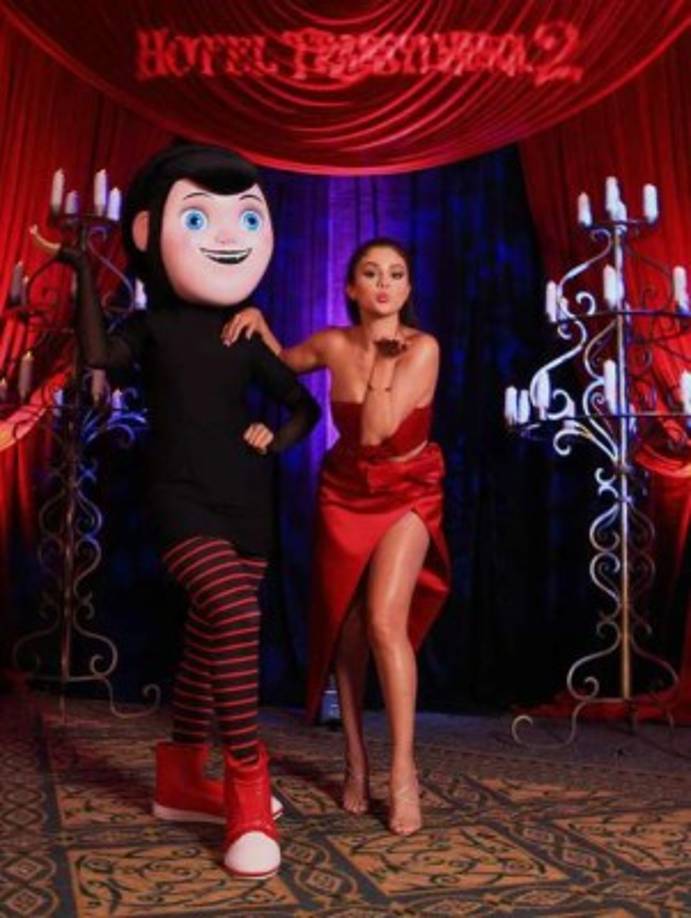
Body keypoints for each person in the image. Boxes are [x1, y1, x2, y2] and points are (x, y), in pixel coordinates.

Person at [31, 144, 320, 879]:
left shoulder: (243, 332)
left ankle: (182, 780)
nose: (225, 234)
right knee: (231, 610)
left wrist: (276, 437)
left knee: (206, 635)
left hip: (246, 500)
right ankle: (247, 787)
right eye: (198, 218)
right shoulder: (153, 326)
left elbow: (303, 406)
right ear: (147, 231)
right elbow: (98, 356)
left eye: (244, 219)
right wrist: (81, 272)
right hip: (179, 496)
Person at [222, 238, 450, 835]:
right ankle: (355, 760)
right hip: (345, 492)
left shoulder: (423, 349)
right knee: (345, 630)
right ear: (352, 287)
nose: (384, 284)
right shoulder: (333, 342)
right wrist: (259, 322)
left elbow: (375, 432)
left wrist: (384, 365)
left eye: (396, 274)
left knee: (383, 623)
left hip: (407, 488)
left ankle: (403, 773)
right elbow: (281, 361)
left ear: (408, 288)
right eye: (371, 273)